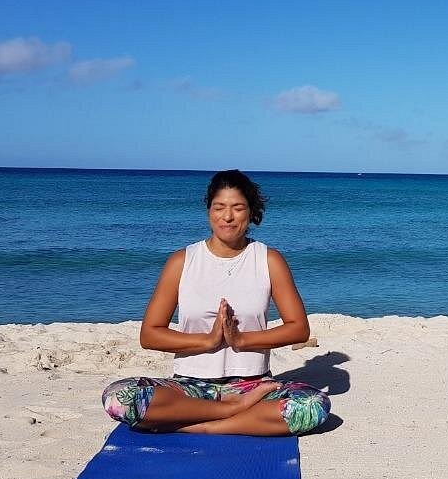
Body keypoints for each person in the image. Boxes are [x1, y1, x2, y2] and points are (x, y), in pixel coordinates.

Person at [101, 170, 330, 435]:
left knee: (314, 405)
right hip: (190, 387)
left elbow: (298, 328)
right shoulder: (182, 261)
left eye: (238, 208)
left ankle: (201, 426)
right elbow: (150, 334)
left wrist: (241, 340)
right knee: (117, 397)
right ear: (209, 210)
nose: (228, 217)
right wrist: (207, 341)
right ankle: (230, 412)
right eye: (219, 207)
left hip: (252, 386)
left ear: (250, 212)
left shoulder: (268, 260)